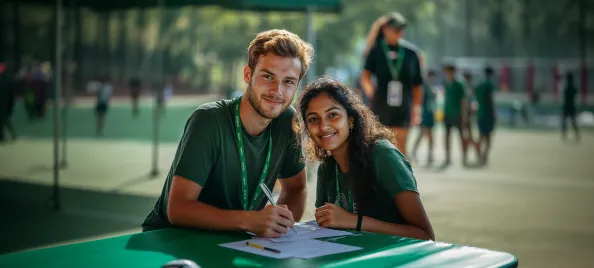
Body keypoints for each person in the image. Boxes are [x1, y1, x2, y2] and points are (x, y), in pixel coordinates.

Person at [142, 29, 314, 239]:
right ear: (248, 74)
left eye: (288, 81)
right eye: (268, 76)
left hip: (238, 243)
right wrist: (251, 220)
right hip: (172, 242)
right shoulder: (208, 120)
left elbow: (296, 188)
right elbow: (178, 209)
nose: (277, 91)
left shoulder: (288, 121)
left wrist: (278, 227)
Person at [294, 76, 434, 240]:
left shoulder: (382, 155)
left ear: (351, 120)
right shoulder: (327, 168)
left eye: (333, 115)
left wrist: (355, 221)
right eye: (313, 119)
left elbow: (425, 235)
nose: (323, 126)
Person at [360, 12, 424, 159]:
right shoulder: (375, 51)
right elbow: (365, 77)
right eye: (395, 28)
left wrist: (416, 108)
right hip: (381, 106)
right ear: (385, 29)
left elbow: (418, 85)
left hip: (403, 106)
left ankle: (403, 180)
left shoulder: (411, 53)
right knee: (381, 145)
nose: (399, 32)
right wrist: (373, 94)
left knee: (401, 145)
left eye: (401, 29)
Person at [442, 64, 470, 166]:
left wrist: (464, 116)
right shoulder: (446, 82)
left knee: (462, 136)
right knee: (447, 137)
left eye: (448, 71)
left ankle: (464, 157)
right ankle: (447, 158)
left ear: (453, 71)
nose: (446, 74)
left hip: (458, 114)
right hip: (448, 114)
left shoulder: (459, 83)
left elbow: (463, 101)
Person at [411, 70, 438, 165]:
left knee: (428, 135)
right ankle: (415, 152)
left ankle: (429, 155)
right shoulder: (424, 87)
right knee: (423, 134)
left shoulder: (433, 87)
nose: (432, 78)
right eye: (431, 76)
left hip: (430, 114)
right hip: (425, 114)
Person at [475, 66, 497, 164]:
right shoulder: (489, 84)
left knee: (480, 136)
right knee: (488, 137)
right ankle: (484, 156)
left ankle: (479, 154)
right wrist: (494, 113)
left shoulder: (479, 84)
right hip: (487, 114)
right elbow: (490, 99)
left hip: (480, 113)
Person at [561, 72, 580, 142]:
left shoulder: (568, 87)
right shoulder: (572, 87)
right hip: (570, 107)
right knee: (571, 122)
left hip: (568, 107)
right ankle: (575, 135)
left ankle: (565, 134)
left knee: (567, 122)